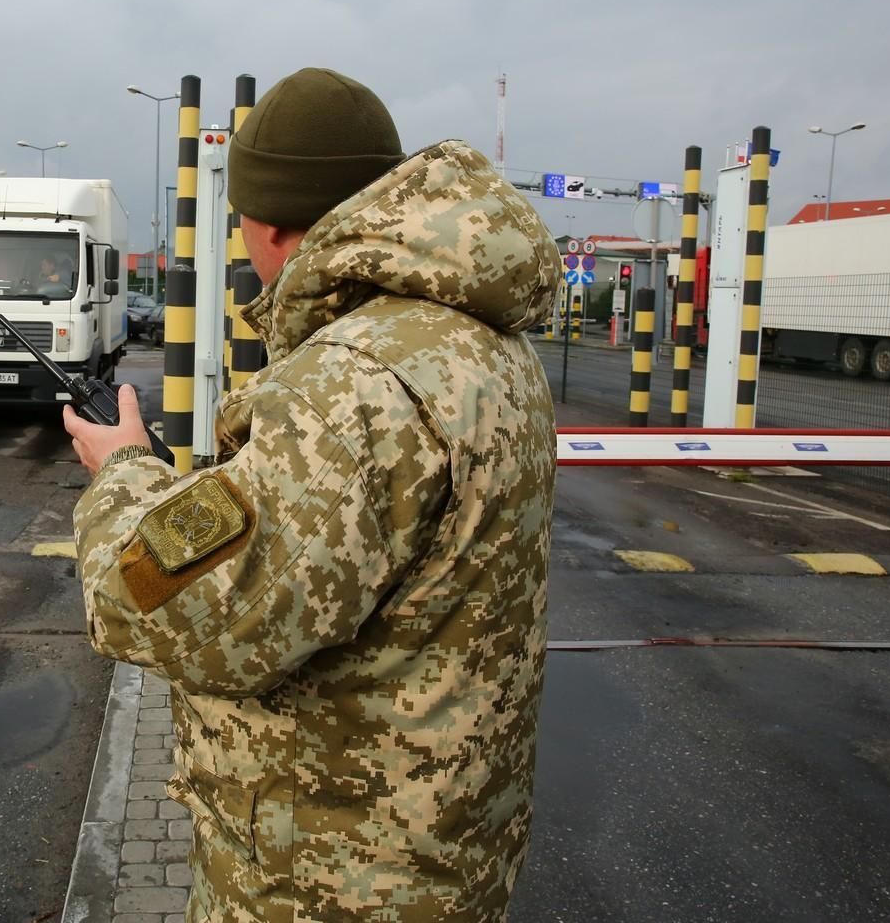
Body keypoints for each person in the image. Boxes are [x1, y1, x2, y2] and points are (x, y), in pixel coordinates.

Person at [63, 68, 561, 921]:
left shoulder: (351, 382)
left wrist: (122, 473)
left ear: (266, 224)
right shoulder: (484, 346)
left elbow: (162, 602)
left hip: (333, 882)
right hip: (445, 855)